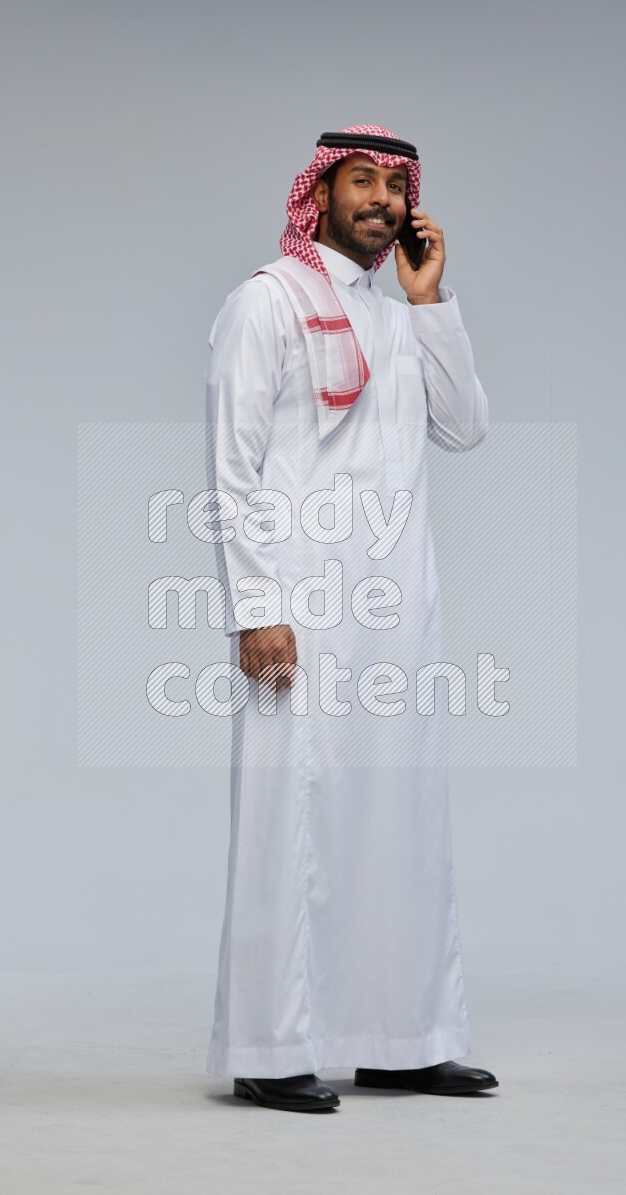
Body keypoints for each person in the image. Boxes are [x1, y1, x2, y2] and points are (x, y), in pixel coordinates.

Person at [203, 125, 497, 1113]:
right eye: (358, 181)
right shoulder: (266, 301)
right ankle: (268, 1043)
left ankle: (403, 1038)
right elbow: (232, 469)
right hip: (299, 605)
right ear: (318, 196)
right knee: (291, 823)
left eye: (393, 185)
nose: (377, 199)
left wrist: (430, 303)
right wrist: (254, 608)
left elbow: (462, 425)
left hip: (395, 612)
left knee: (398, 818)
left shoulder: (398, 315)